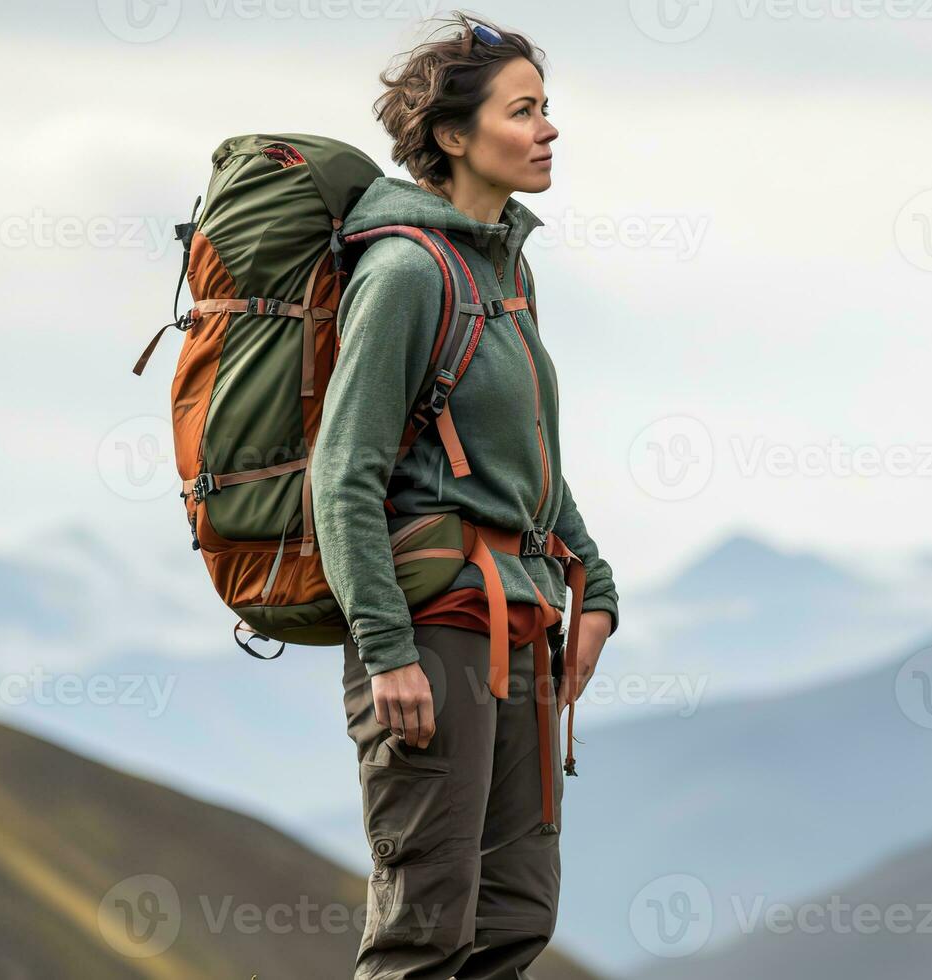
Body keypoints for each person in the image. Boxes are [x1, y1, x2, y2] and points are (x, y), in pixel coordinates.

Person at [309, 13, 620, 979]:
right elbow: (343, 470)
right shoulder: (404, 273)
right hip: (433, 633)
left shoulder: (507, 272)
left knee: (516, 916)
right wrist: (387, 647)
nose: (548, 130)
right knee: (424, 931)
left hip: (519, 622)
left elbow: (528, 462)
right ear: (453, 135)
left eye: (546, 109)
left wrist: (596, 587)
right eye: (523, 111)